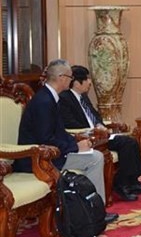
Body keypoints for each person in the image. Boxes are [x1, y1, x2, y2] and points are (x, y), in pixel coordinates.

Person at [12, 59, 118, 224]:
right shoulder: (44, 102)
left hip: (52, 154)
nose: (71, 80)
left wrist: (79, 142)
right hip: (37, 160)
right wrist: (75, 146)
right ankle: (95, 211)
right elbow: (45, 139)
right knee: (96, 158)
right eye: (70, 77)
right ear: (61, 77)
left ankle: (91, 210)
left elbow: (59, 132)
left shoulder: (50, 97)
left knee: (95, 155)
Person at [59, 65, 141, 202]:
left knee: (132, 142)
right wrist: (94, 130)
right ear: (77, 83)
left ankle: (133, 182)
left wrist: (100, 124)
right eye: (87, 79)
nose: (90, 82)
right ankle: (121, 184)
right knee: (126, 144)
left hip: (99, 134)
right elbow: (70, 123)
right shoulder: (65, 98)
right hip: (87, 137)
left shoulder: (83, 97)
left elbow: (95, 115)